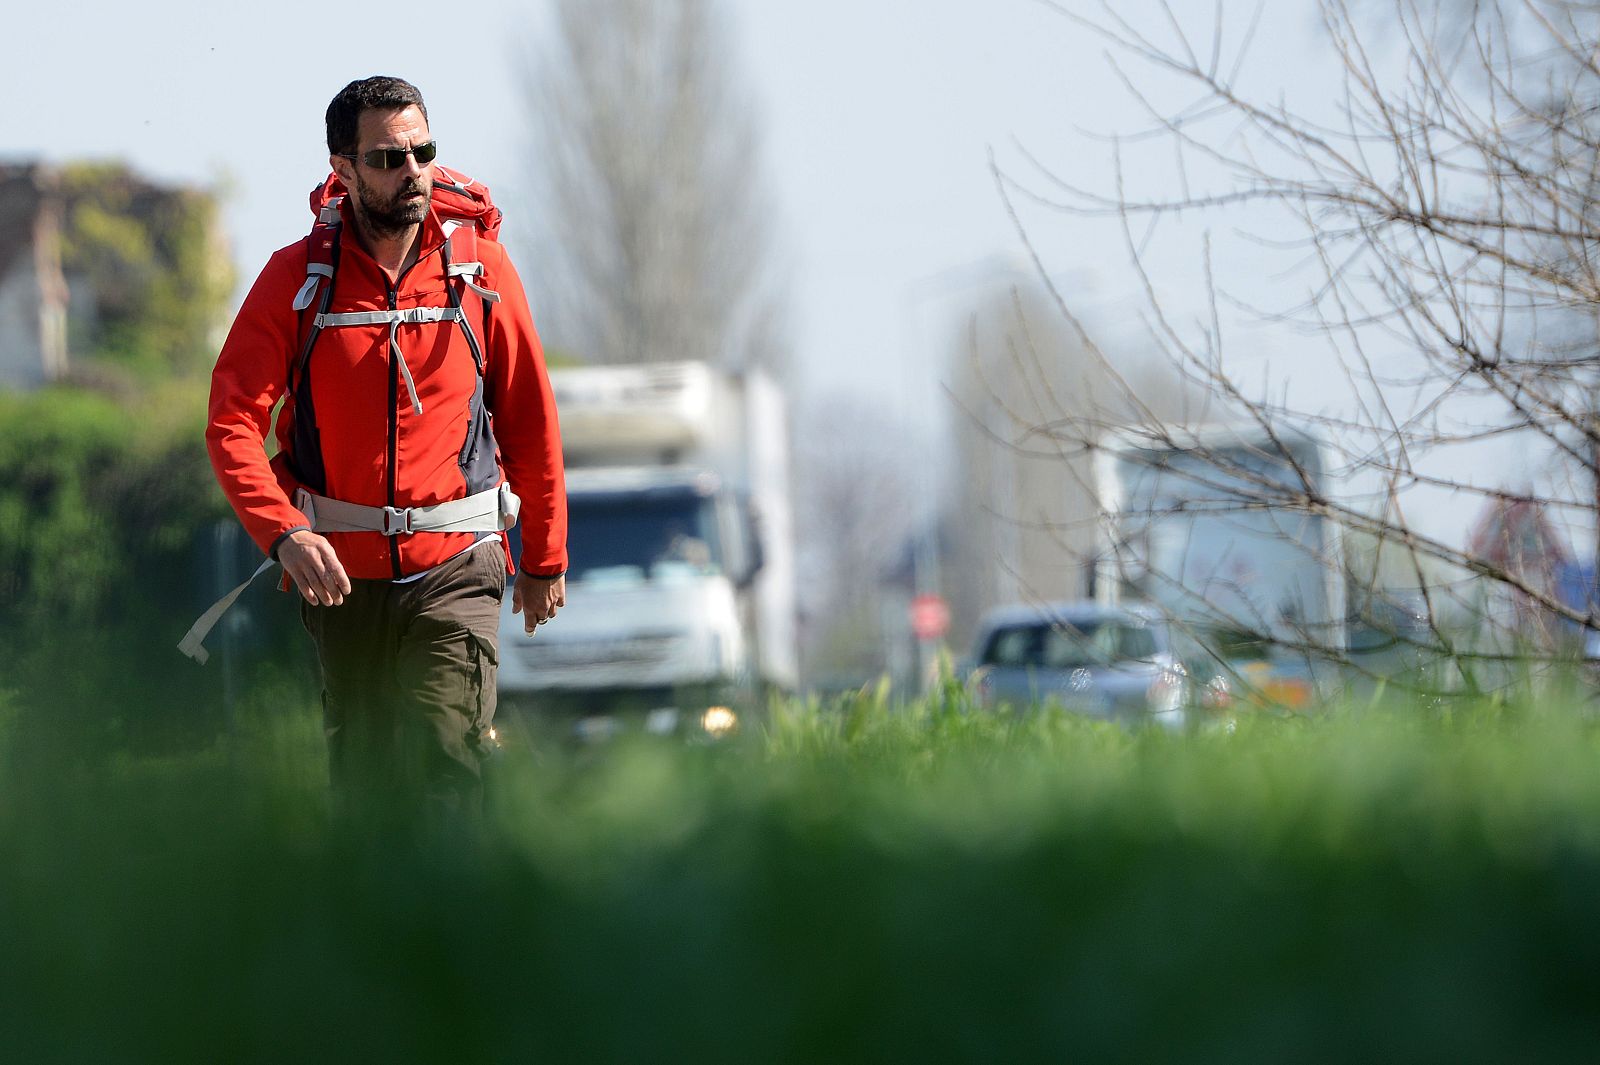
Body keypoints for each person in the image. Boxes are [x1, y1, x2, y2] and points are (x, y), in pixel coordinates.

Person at [205, 75, 567, 815]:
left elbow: (530, 417)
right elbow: (231, 423)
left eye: (422, 151)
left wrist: (544, 556)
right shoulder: (295, 281)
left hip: (457, 568)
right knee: (366, 788)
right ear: (342, 170)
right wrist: (285, 534)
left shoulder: (481, 274)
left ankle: (457, 925)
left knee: (443, 763)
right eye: (387, 158)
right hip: (341, 580)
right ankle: (377, 928)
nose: (411, 172)